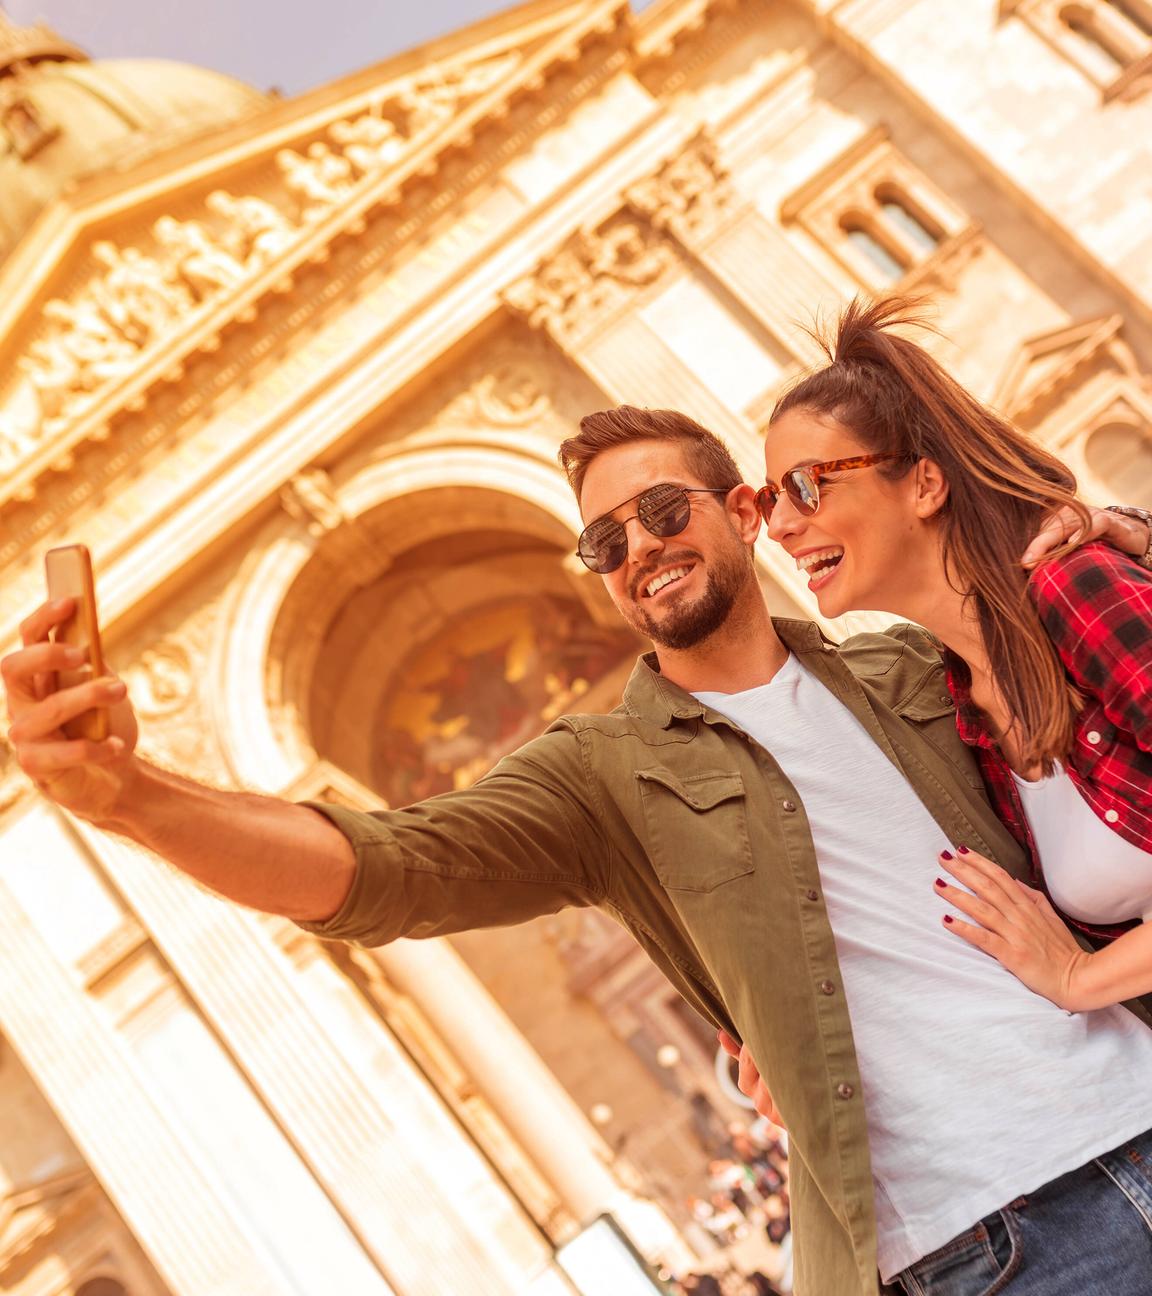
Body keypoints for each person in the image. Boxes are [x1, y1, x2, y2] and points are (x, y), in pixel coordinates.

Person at [3, 404, 1151, 1296]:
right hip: (985, 1242)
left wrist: (1107, 530)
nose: (639, 548)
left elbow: (1105, 731)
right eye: (606, 542)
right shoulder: (598, 777)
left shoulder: (912, 665)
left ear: (744, 511)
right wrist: (128, 797)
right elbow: (380, 871)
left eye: (663, 512)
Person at [759, 296, 1152, 1019]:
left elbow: (1073, 970)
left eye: (806, 486)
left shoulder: (1074, 588)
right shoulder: (966, 709)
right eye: (768, 500)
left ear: (924, 484)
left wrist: (1080, 978)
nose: (780, 525)